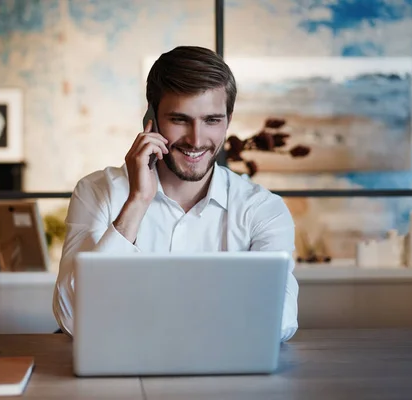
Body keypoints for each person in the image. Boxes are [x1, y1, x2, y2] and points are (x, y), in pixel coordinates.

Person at [52, 45, 298, 341]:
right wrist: (137, 202)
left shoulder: (262, 209)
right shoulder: (96, 192)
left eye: (212, 120)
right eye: (180, 119)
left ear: (228, 121)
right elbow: (73, 318)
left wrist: (137, 317)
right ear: (151, 120)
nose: (196, 140)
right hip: (123, 381)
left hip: (226, 380)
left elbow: (279, 319)